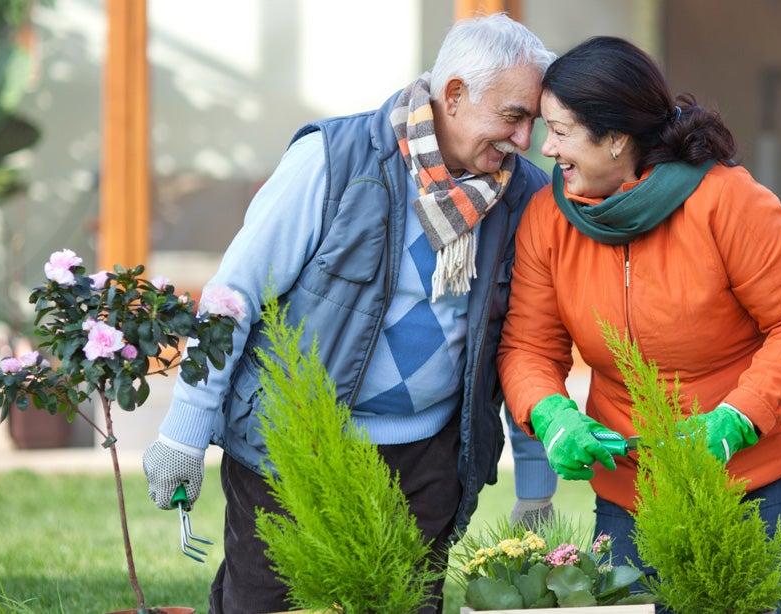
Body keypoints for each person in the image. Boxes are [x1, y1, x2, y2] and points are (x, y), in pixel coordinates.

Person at [141, 15, 557, 614]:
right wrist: (185, 427)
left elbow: (520, 343)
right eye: (514, 117)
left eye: (533, 123)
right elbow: (234, 295)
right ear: (457, 94)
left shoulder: (523, 197)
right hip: (293, 446)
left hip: (425, 462)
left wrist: (535, 479)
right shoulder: (332, 159)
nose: (525, 141)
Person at [497, 36, 781, 614]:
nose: (545, 146)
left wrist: (739, 419)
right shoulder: (549, 219)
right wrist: (550, 411)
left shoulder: (727, 201)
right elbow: (528, 346)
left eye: (560, 130)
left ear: (615, 138)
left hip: (765, 473)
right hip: (634, 486)